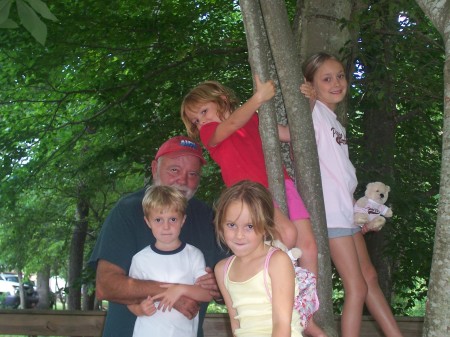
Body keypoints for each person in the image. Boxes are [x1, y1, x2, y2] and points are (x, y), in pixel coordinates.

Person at [297, 52, 403, 337]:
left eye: (340, 76)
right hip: (331, 213)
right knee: (356, 286)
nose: (336, 83)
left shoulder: (335, 122)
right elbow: (291, 132)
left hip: (345, 210)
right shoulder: (316, 112)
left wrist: (360, 210)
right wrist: (306, 100)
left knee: (369, 277)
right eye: (326, 79)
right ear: (311, 85)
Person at [180, 75, 319, 281]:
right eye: (196, 121)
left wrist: (311, 101)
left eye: (204, 111)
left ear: (222, 98)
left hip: (282, 182)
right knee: (286, 234)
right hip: (253, 192)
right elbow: (233, 122)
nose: (202, 121)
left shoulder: (254, 119)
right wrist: (258, 98)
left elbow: (290, 134)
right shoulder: (209, 133)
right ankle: (267, 284)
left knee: (308, 246)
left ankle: (307, 304)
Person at [89, 136, 226, 337]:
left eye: (193, 173)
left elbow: (231, 281)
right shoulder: (128, 211)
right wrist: (173, 294)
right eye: (174, 170)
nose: (183, 180)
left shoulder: (208, 218)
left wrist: (220, 286)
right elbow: (105, 286)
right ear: (155, 168)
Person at [213, 180, 303, 337]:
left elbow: (281, 323)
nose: (239, 235)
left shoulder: (277, 261)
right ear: (220, 225)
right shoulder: (222, 270)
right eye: (231, 225)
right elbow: (236, 324)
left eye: (249, 226)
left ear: (265, 227)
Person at [127, 185, 212, 337]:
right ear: (148, 222)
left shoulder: (193, 255)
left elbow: (206, 294)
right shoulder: (140, 259)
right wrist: (140, 309)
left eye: (173, 219)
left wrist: (180, 289)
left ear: (183, 220)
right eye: (158, 220)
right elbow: (130, 298)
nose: (166, 227)